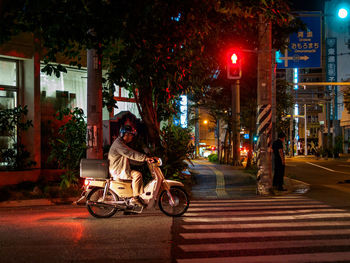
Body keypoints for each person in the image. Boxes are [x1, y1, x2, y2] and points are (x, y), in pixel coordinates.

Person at [108, 125, 156, 207]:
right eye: (131, 135)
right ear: (125, 134)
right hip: (118, 170)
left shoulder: (121, 143)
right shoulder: (119, 144)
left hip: (120, 168)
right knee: (137, 175)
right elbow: (130, 153)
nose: (132, 137)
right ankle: (135, 198)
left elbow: (128, 158)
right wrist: (145, 158)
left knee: (137, 173)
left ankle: (131, 201)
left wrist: (142, 162)